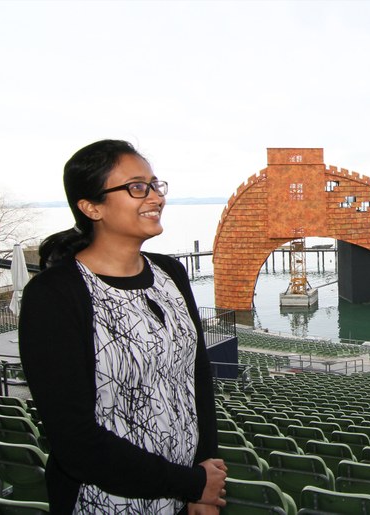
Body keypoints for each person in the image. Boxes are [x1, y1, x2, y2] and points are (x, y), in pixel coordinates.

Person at [18, 139, 227, 514]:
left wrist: (205, 477)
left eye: (155, 185)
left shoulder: (172, 273)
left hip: (183, 495)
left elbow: (196, 380)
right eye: (136, 187)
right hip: (104, 502)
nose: (155, 197)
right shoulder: (55, 295)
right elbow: (76, 442)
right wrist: (193, 484)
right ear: (91, 206)